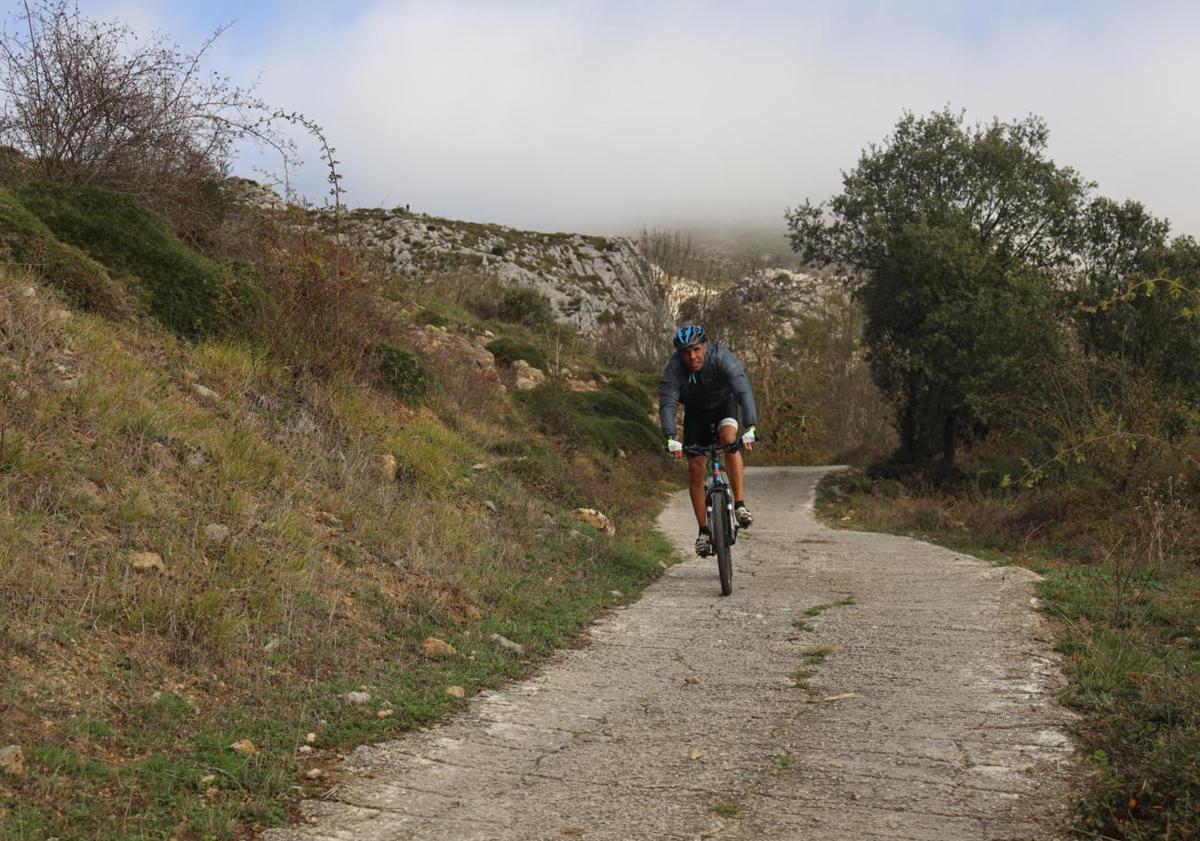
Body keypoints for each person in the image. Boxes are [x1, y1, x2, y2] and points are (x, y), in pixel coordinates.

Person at [658, 324, 758, 557]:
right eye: (685, 352)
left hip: (724, 406)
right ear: (679, 354)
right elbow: (668, 404)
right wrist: (670, 437)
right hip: (696, 414)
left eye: (695, 349)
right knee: (695, 467)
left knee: (729, 440)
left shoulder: (722, 358)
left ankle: (740, 506)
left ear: (705, 346)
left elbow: (743, 391)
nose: (691, 356)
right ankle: (704, 531)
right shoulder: (674, 369)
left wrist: (751, 426)